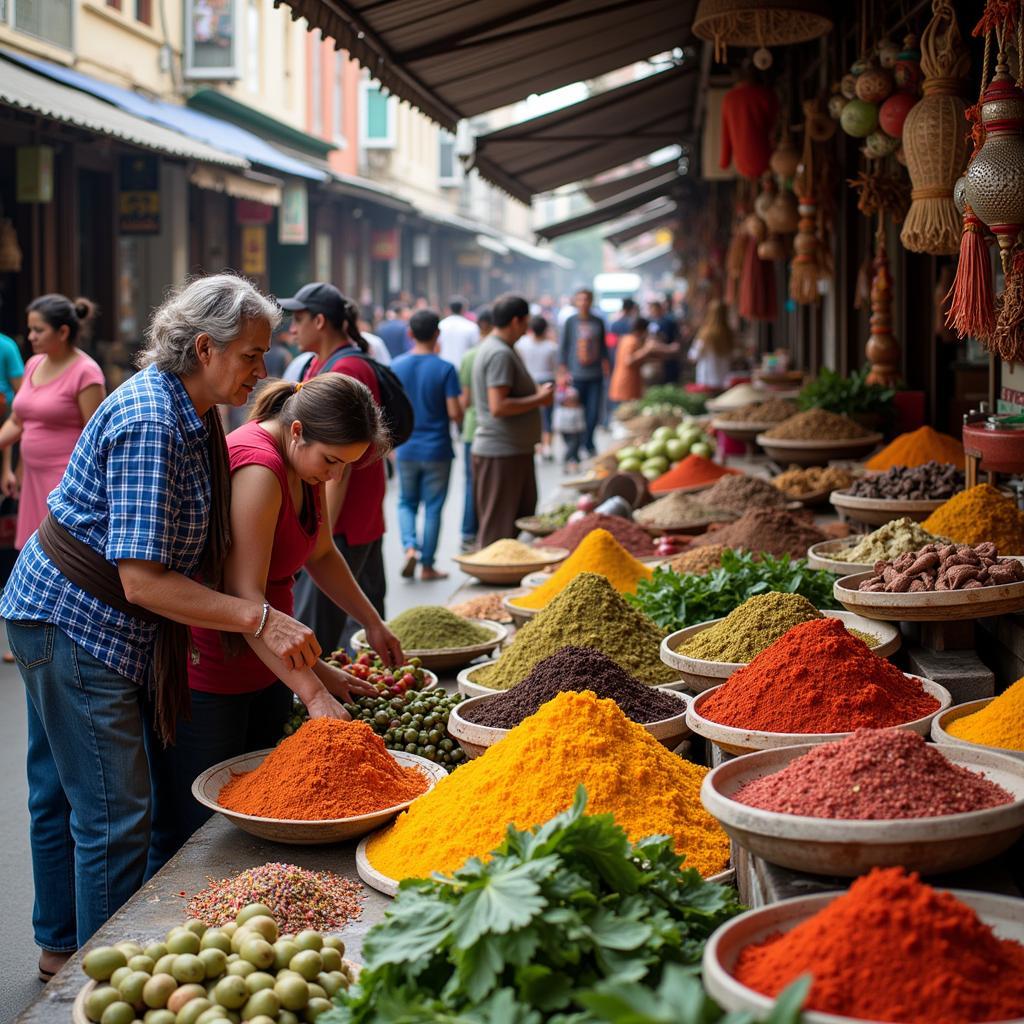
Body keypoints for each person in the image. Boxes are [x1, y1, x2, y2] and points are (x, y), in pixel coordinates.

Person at [0, 275, 321, 981]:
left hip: (56, 610)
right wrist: (257, 617)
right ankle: (106, 976)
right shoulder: (154, 421)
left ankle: (62, 950)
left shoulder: (194, 408)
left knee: (61, 790)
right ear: (204, 348)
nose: (262, 372)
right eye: (251, 356)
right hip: (75, 619)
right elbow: (142, 581)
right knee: (116, 812)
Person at [148, 374, 401, 867]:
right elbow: (248, 602)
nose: (333, 477)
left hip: (268, 662)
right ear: (299, 430)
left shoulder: (306, 468)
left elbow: (322, 553)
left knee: (252, 824)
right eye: (331, 462)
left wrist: (371, 622)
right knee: (196, 835)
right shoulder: (260, 470)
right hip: (213, 670)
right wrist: (313, 691)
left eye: (344, 467)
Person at [284, 283, 389, 652]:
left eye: (298, 320)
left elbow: (339, 470)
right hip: (338, 520)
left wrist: (316, 529)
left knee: (321, 631)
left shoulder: (348, 368)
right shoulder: (319, 365)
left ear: (320, 321)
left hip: (342, 518)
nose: (291, 329)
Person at [0, 295, 106, 552]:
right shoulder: (33, 364)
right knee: (30, 551)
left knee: (60, 553)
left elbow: (95, 435)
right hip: (33, 479)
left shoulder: (86, 372)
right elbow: (18, 420)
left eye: (38, 330)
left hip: (65, 481)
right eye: (30, 329)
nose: (31, 336)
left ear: (63, 332)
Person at [471, 294, 553, 546]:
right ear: (517, 321)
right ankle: (494, 583)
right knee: (499, 531)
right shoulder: (499, 354)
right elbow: (499, 406)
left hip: (511, 450)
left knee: (515, 522)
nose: (528, 328)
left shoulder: (501, 349)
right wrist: (539, 399)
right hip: (501, 451)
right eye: (526, 322)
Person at [391, 310, 462, 581]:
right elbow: (454, 411)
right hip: (438, 449)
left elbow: (389, 409)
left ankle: (410, 547)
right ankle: (428, 565)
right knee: (432, 507)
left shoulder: (396, 366)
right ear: (437, 335)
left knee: (406, 502)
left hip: (406, 447)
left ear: (410, 334)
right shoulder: (445, 369)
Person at [558, 288, 608, 459]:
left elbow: (603, 347)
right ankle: (575, 447)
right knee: (576, 415)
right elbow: (563, 347)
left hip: (595, 375)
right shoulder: (570, 322)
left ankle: (589, 443)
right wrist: (562, 372)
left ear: (591, 301)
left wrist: (607, 367)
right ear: (576, 301)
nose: (584, 302)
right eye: (580, 299)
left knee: (593, 413)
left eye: (587, 299)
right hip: (576, 375)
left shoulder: (598, 321)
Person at [457, 307, 491, 552]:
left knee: (471, 482)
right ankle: (488, 533)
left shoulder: (469, 356)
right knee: (492, 484)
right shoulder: (505, 352)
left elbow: (464, 400)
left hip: (471, 428)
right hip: (494, 430)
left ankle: (468, 533)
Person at [515, 315, 557, 461]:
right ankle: (547, 446)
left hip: (530, 381)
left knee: (533, 415)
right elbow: (554, 367)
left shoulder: (522, 344)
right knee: (547, 416)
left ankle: (537, 446)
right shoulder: (551, 347)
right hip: (548, 381)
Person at [687, 299, 735, 388]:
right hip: (723, 380)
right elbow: (732, 356)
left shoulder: (705, 333)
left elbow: (693, 356)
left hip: (706, 379)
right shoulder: (729, 333)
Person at [437, 297, 480, 369]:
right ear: (463, 309)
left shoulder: (441, 325)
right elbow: (476, 348)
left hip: (444, 368)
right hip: (464, 368)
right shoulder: (472, 327)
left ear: (449, 309)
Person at [553, 384, 586, 472]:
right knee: (571, 447)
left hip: (575, 432)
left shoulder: (578, 409)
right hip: (565, 431)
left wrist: (581, 429)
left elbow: (580, 421)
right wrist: (557, 429)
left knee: (574, 447)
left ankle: (574, 464)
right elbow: (557, 422)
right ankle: (567, 460)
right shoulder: (560, 411)